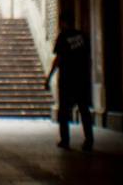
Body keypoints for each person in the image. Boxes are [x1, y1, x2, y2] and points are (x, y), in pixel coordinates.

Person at [45, 12, 94, 151]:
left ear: (64, 23)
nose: (59, 25)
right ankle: (89, 140)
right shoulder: (83, 36)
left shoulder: (63, 37)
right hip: (82, 79)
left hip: (67, 79)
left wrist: (49, 78)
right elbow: (87, 57)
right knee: (84, 110)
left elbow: (58, 59)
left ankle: (65, 140)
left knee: (64, 112)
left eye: (60, 22)